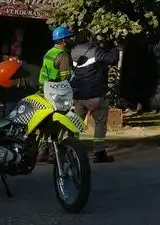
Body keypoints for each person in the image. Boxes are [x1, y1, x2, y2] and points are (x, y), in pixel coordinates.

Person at [70, 32, 118, 163]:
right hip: (95, 95)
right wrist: (114, 46)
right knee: (100, 124)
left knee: (75, 124)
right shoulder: (96, 51)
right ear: (89, 39)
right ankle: (99, 153)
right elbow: (112, 59)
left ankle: (71, 150)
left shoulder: (73, 52)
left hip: (79, 95)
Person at [36, 26, 74, 163]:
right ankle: (54, 154)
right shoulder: (63, 55)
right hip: (56, 92)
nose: (71, 40)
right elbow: (65, 78)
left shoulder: (49, 53)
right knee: (57, 124)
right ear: (63, 40)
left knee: (45, 124)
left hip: (44, 90)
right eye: (69, 38)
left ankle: (42, 152)